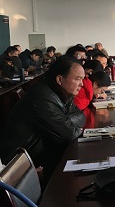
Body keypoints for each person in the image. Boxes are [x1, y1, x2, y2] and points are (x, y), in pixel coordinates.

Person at [0, 56, 86, 185]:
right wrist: (66, 124)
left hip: (41, 155)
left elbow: (81, 116)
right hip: (22, 167)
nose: (82, 84)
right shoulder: (41, 98)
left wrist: (64, 121)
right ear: (59, 79)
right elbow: (70, 133)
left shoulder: (62, 93)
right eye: (77, 79)